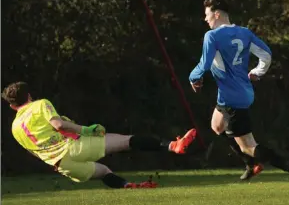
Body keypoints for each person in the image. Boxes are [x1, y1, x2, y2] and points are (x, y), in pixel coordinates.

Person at [189, 0, 289, 186]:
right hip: (242, 92)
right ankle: (251, 165)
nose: (205, 19)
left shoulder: (212, 36)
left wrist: (193, 78)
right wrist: (257, 72)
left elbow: (205, 63)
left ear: (217, 14)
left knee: (249, 146)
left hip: (231, 97)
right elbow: (266, 55)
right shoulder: (244, 33)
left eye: (207, 15)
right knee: (217, 126)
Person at [2, 81, 197, 188]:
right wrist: (86, 130)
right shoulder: (39, 104)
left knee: (103, 172)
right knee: (126, 141)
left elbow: (33, 152)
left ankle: (129, 186)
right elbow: (58, 124)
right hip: (74, 148)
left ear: (12, 106)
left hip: (61, 165)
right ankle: (173, 145)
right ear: (29, 96)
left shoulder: (15, 127)